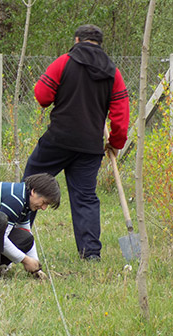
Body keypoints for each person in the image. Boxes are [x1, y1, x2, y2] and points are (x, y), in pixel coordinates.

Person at [22, 24, 129, 261]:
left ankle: (15, 239)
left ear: (77, 39)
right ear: (100, 44)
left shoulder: (64, 62)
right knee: (85, 198)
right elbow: (121, 115)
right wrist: (115, 142)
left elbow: (42, 96)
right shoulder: (113, 72)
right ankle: (90, 253)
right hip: (90, 146)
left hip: (59, 139)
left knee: (29, 186)